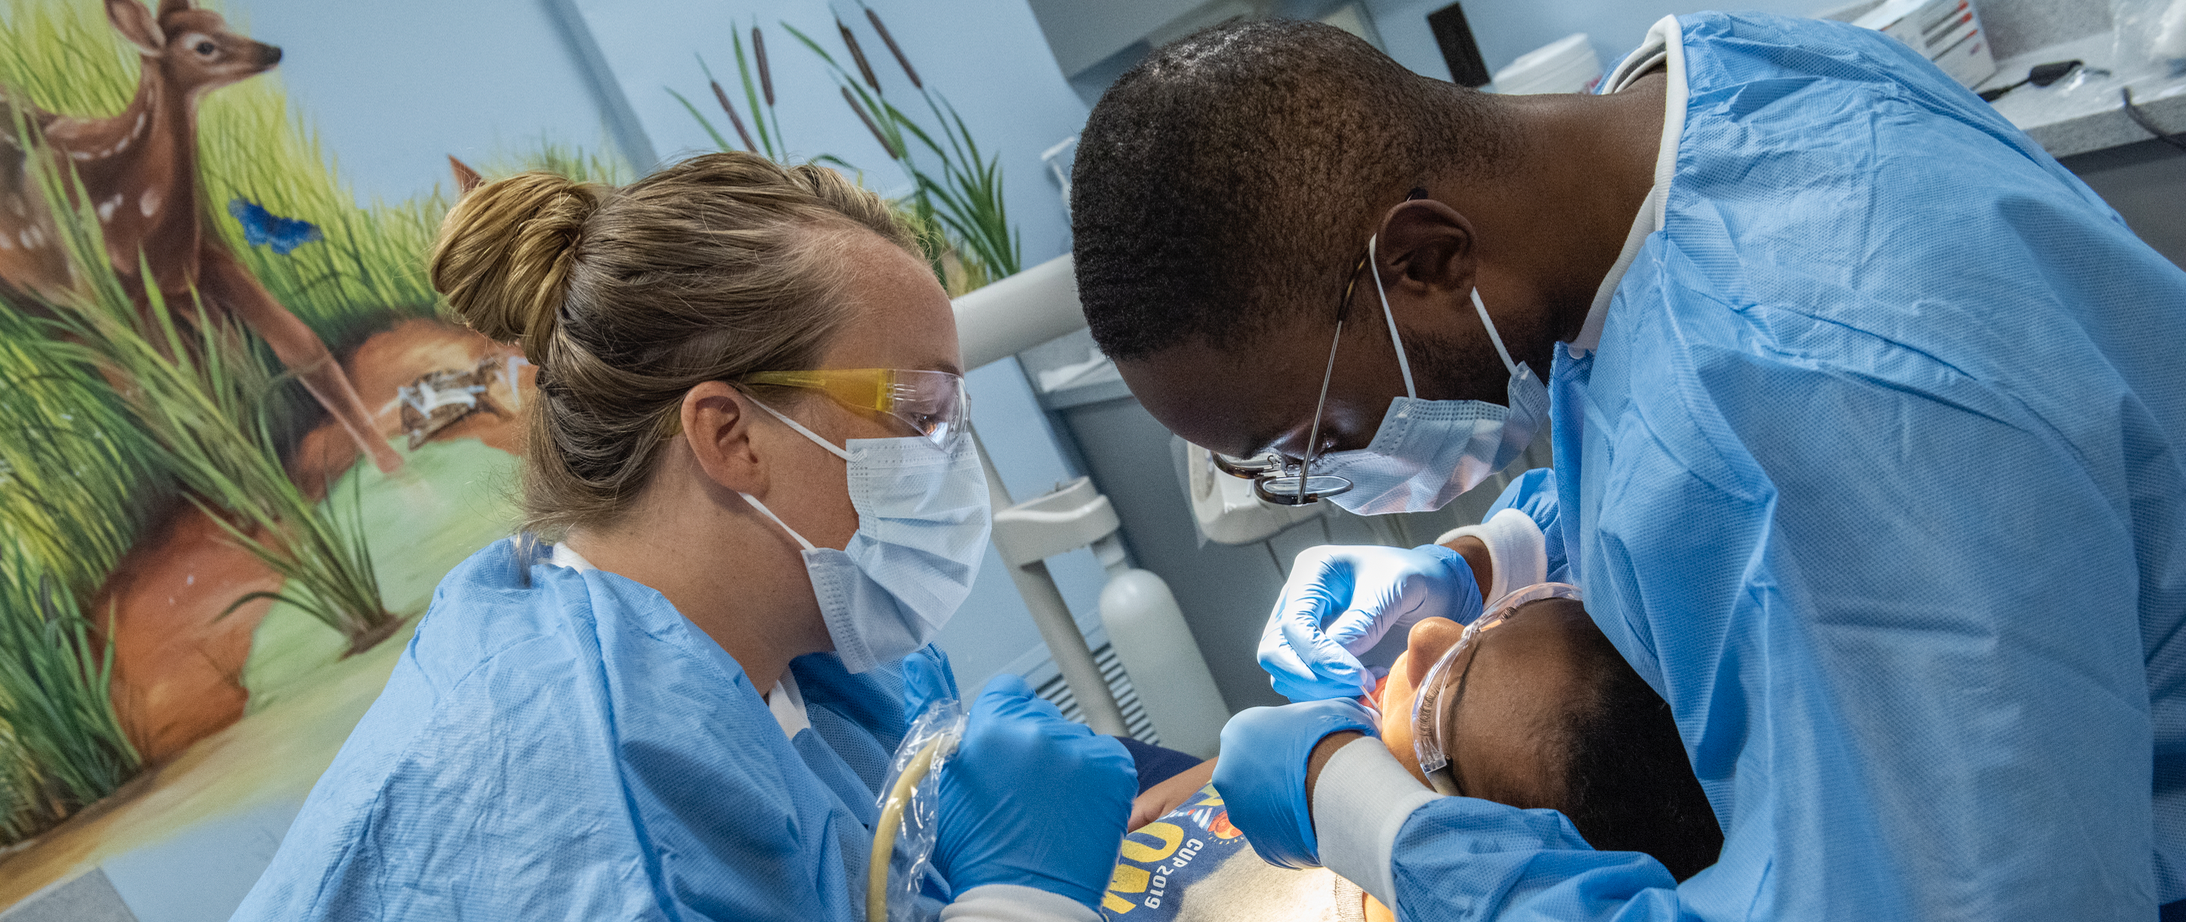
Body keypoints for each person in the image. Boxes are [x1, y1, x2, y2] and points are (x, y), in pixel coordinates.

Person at [1070, 12, 2186, 921]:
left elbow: (1796, 474)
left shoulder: (1803, 417)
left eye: (1314, 436)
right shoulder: (1722, 89)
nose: (1325, 476)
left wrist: (1373, 817)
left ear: (1426, 258)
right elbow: (1684, 454)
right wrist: (1497, 550)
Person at [233, 153, 1136, 921]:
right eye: (923, 411)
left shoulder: (795, 654)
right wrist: (1022, 897)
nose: (952, 454)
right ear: (728, 436)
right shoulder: (601, 810)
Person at [1104, 583, 1722, 922]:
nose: (1430, 633)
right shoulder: (1299, 775)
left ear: (1473, 833)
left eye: (1441, 693)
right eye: (1492, 622)